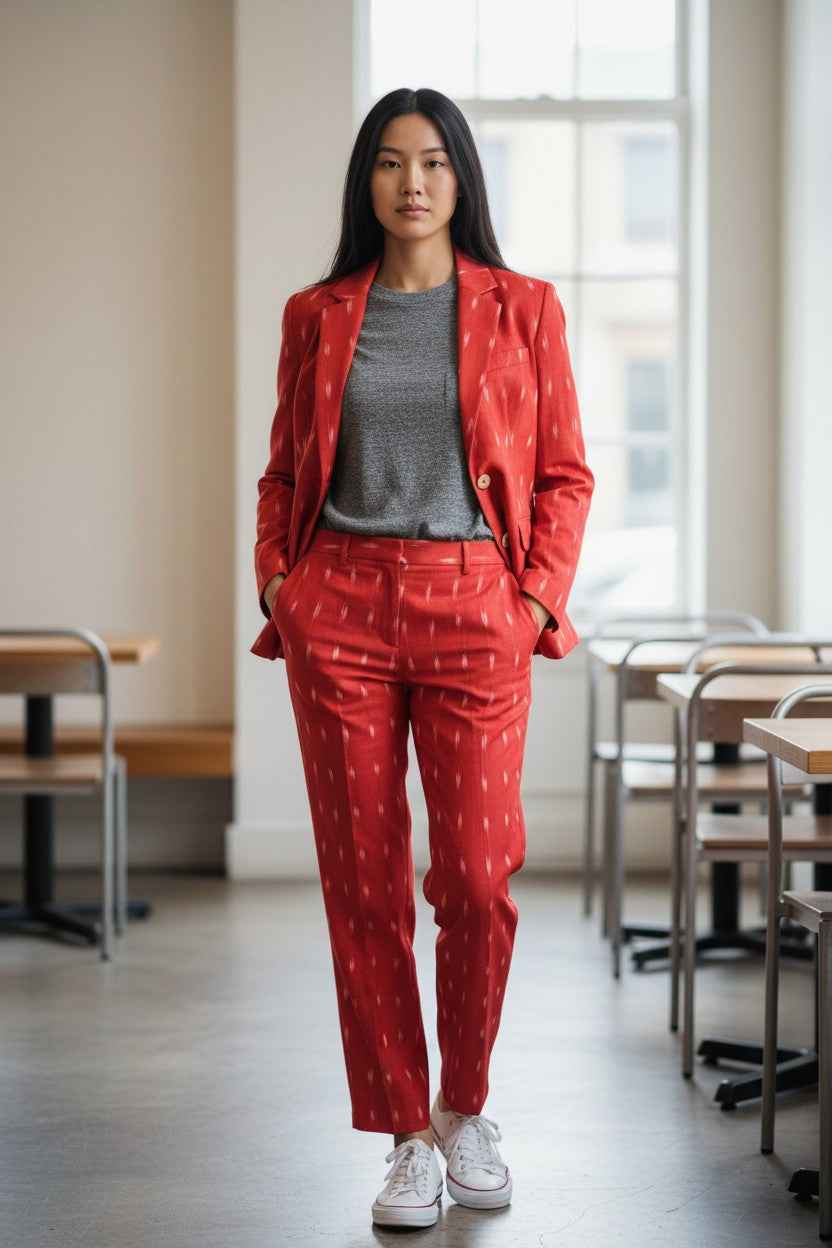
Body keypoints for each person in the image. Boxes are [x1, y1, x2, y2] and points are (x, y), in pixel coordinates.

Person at [252, 86, 593, 1230]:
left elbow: (562, 475)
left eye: (434, 163)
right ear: (366, 180)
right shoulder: (316, 312)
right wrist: (277, 583)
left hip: (474, 606)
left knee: (479, 880)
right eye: (391, 163)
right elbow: (285, 474)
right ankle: (404, 1137)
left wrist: (531, 594)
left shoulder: (524, 309)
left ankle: (467, 1109)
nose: (411, 183)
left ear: (461, 181)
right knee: (364, 886)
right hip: (338, 606)